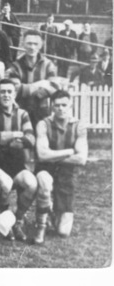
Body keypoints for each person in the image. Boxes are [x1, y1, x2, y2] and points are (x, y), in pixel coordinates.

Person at [0, 79, 37, 241]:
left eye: (9, 91)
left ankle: (17, 220)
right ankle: (5, 221)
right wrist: (16, 135)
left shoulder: (23, 114)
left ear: (14, 94)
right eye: (2, 92)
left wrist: (4, 138)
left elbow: (30, 139)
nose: (6, 95)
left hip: (16, 161)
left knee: (31, 184)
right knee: (6, 183)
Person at [33, 90, 88, 244]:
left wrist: (54, 156)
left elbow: (81, 158)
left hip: (66, 175)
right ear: (52, 107)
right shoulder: (43, 124)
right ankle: (45, 214)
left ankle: (53, 211)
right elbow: (42, 155)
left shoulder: (79, 126)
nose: (61, 108)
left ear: (70, 105)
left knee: (63, 232)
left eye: (64, 105)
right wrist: (69, 151)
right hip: (46, 169)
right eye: (57, 105)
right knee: (44, 181)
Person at [6, 30, 60, 126]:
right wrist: (40, 84)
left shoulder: (48, 65)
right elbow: (15, 89)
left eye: (35, 44)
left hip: (42, 111)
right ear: (23, 45)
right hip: (20, 110)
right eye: (29, 43)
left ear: (40, 46)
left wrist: (35, 94)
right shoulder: (16, 65)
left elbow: (54, 88)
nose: (32, 47)